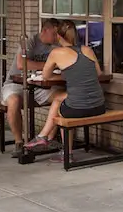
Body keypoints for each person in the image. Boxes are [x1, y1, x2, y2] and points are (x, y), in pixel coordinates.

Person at [25, 20, 106, 153]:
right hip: (99, 106)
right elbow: (98, 73)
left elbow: (45, 76)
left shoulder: (56, 53)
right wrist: (69, 74)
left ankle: (57, 147)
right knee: (59, 100)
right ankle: (45, 137)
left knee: (62, 107)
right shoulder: (88, 50)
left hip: (78, 109)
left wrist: (62, 74)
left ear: (58, 35)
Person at [0, 19, 59, 157]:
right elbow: (22, 64)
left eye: (57, 34)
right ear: (45, 30)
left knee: (62, 96)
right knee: (13, 101)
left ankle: (47, 138)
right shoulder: (30, 42)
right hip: (16, 84)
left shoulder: (56, 46)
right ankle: (19, 142)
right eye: (54, 34)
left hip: (39, 86)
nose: (56, 37)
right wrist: (48, 65)